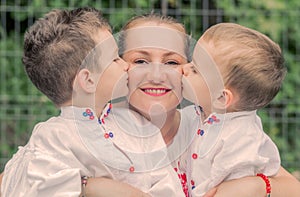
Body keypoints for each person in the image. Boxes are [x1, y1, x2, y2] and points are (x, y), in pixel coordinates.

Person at [82, 14, 300, 197]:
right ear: (120, 66)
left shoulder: (204, 124)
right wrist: (88, 186)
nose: (157, 75)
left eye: (172, 63)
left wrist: (259, 185)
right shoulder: (99, 130)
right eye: (140, 61)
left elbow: (292, 187)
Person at [1, 7, 185, 197]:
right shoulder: (51, 139)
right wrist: (86, 186)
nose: (125, 66)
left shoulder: (140, 127)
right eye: (115, 59)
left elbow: (167, 185)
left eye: (172, 62)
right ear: (88, 80)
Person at [181, 22, 284, 196]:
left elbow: (233, 191)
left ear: (221, 98)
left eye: (195, 70)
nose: (184, 69)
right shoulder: (201, 114)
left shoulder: (240, 140)